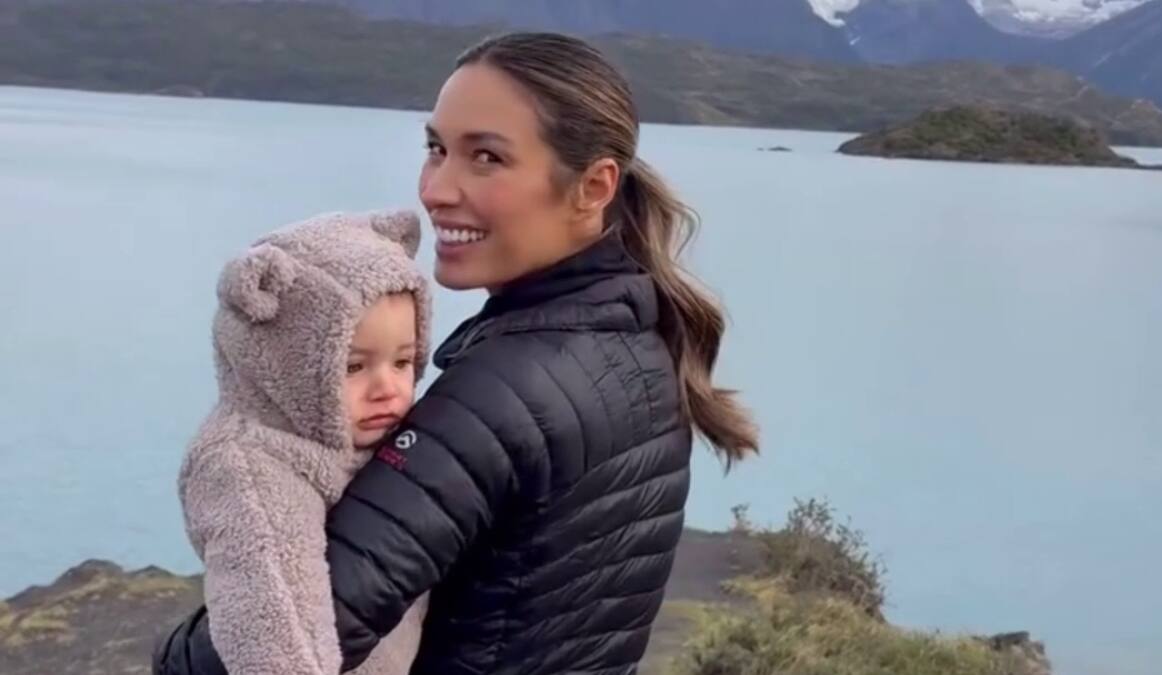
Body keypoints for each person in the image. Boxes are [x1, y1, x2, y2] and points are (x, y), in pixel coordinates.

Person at [154, 30, 758, 675]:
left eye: (487, 158)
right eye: (436, 148)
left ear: (593, 186)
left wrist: (171, 653)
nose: (437, 188)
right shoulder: (639, 341)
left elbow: (296, 628)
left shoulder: (504, 393)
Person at [168, 209, 433, 675]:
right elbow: (275, 625)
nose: (387, 388)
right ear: (284, 365)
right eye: (353, 367)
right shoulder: (249, 469)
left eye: (403, 361)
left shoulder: (382, 435)